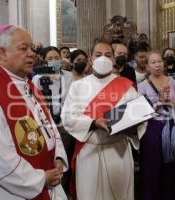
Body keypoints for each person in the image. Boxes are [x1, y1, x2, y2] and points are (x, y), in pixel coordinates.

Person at [0, 25, 68, 200]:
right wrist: (39, 178)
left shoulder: (28, 84)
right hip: (11, 190)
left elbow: (48, 125)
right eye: (23, 48)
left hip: (47, 178)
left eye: (32, 48)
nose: (32, 53)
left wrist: (58, 157)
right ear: (3, 53)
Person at [61, 40, 147, 200]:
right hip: (89, 152)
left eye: (108, 55)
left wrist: (134, 127)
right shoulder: (78, 86)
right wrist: (93, 123)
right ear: (91, 59)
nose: (103, 58)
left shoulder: (126, 86)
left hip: (118, 151)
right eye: (98, 55)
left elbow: (139, 118)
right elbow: (67, 117)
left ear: (114, 59)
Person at [138, 51, 175, 200]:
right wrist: (158, 103)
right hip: (152, 128)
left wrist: (170, 103)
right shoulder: (142, 86)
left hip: (172, 126)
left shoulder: (171, 81)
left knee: (170, 165)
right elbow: (140, 112)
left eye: (160, 61)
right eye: (153, 62)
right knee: (152, 166)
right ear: (147, 66)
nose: (158, 65)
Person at [32, 46, 73, 124]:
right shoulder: (37, 78)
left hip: (65, 121)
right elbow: (35, 102)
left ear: (61, 59)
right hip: (45, 122)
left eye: (57, 58)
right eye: (50, 59)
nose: (54, 61)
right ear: (44, 61)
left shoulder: (68, 76)